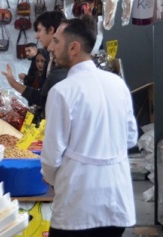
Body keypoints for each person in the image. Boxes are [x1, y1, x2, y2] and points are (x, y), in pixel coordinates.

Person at [42, 15, 137, 237]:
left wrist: (59, 180)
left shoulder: (62, 91)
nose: (51, 48)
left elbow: (51, 157)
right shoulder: (117, 83)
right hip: (116, 199)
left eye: (56, 41)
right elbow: (131, 138)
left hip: (78, 204)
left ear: (73, 48)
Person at [2, 11, 67, 119]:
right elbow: (42, 95)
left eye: (39, 30)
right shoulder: (49, 58)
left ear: (51, 30)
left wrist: (14, 83)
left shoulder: (62, 62)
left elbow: (43, 98)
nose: (37, 36)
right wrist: (13, 83)